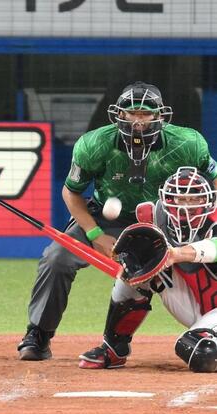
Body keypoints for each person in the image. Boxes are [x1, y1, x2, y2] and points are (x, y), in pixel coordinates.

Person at [17, 81, 217, 361]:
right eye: (131, 113)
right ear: (118, 115)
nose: (138, 121)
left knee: (158, 266)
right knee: (57, 258)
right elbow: (71, 193)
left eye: (146, 114)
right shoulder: (94, 144)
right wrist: (95, 233)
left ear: (160, 116)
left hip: (168, 217)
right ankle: (38, 334)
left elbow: (214, 182)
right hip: (105, 217)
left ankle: (119, 342)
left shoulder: (188, 143)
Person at [79, 167, 217, 372]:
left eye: (193, 200)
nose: (185, 207)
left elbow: (212, 247)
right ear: (166, 199)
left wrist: (176, 254)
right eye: (179, 199)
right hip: (197, 302)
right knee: (137, 271)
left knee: (199, 351)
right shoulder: (156, 216)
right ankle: (113, 349)